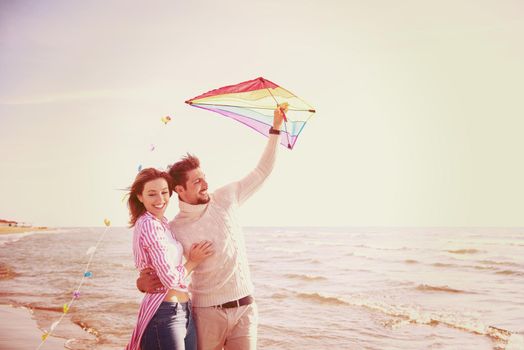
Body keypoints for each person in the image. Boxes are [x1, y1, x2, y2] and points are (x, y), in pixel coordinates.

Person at [137, 105, 286, 350]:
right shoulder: (174, 228)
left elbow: (262, 171)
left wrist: (276, 129)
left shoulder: (226, 197)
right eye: (197, 181)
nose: (205, 183)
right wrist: (142, 282)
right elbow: (163, 271)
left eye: (204, 176)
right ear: (180, 191)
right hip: (206, 313)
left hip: (245, 308)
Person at [126, 168, 215, 350]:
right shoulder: (148, 224)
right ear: (140, 196)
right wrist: (193, 261)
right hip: (165, 313)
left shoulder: (163, 223)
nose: (160, 200)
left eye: (164, 192)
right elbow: (169, 279)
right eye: (152, 194)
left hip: (184, 310)